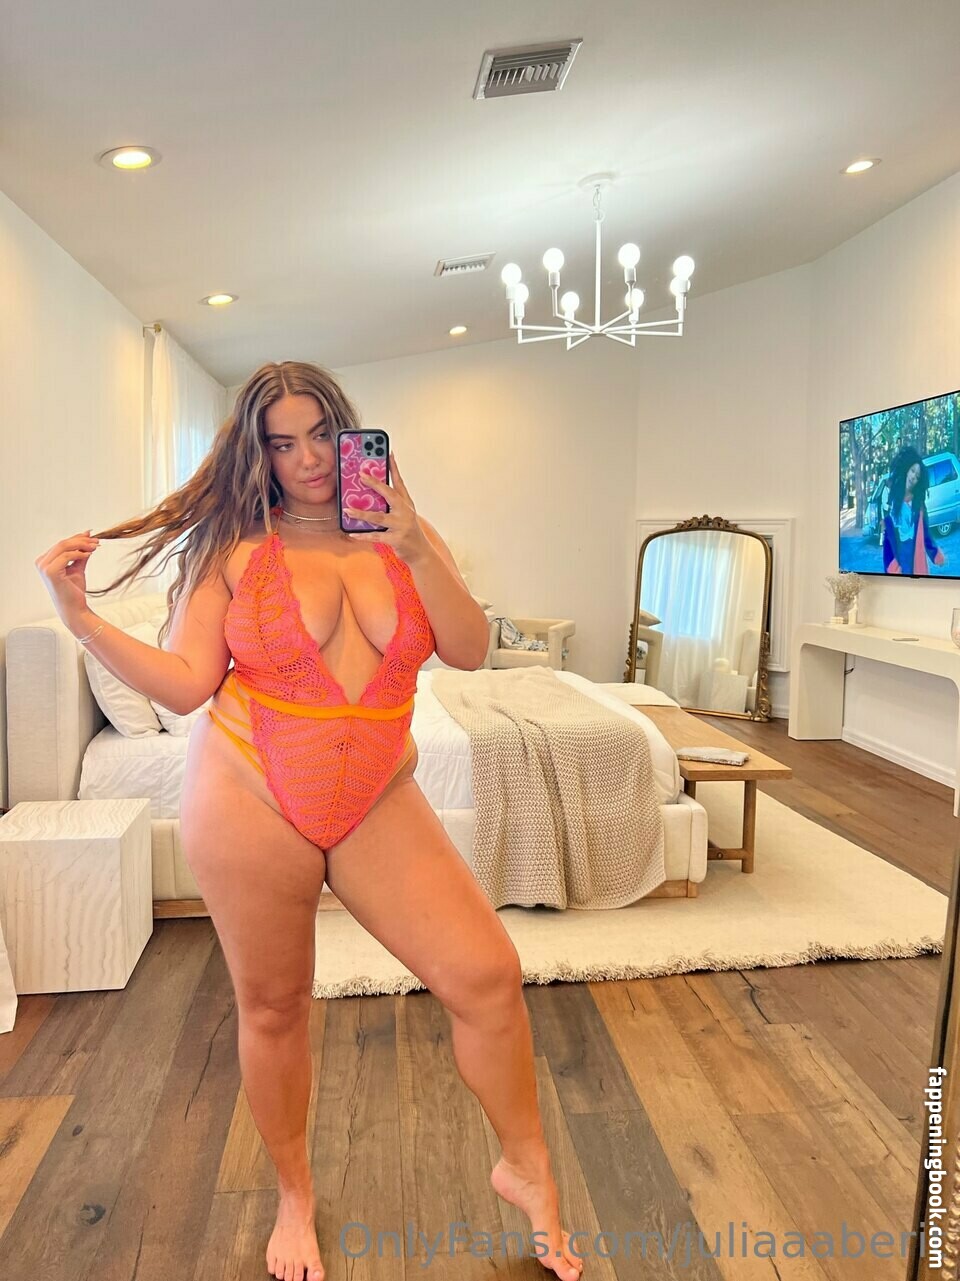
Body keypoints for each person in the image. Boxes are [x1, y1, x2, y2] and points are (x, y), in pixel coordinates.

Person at [35, 361, 584, 1281]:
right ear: (259, 452)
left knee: (488, 975)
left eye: (322, 434)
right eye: (282, 443)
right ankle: (295, 1195)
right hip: (248, 789)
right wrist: (78, 615)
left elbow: (468, 650)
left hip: (377, 792)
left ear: (349, 430)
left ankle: (525, 1167)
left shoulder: (407, 533)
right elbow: (187, 684)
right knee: (276, 1005)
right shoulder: (232, 546)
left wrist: (416, 547)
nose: (309, 459)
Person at [881, 446, 946, 575]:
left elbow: (926, 533)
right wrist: (891, 564)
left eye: (917, 476)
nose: (913, 477)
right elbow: (888, 538)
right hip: (899, 554)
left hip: (915, 553)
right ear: (906, 470)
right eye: (912, 471)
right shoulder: (892, 500)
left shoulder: (919, 505)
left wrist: (936, 554)